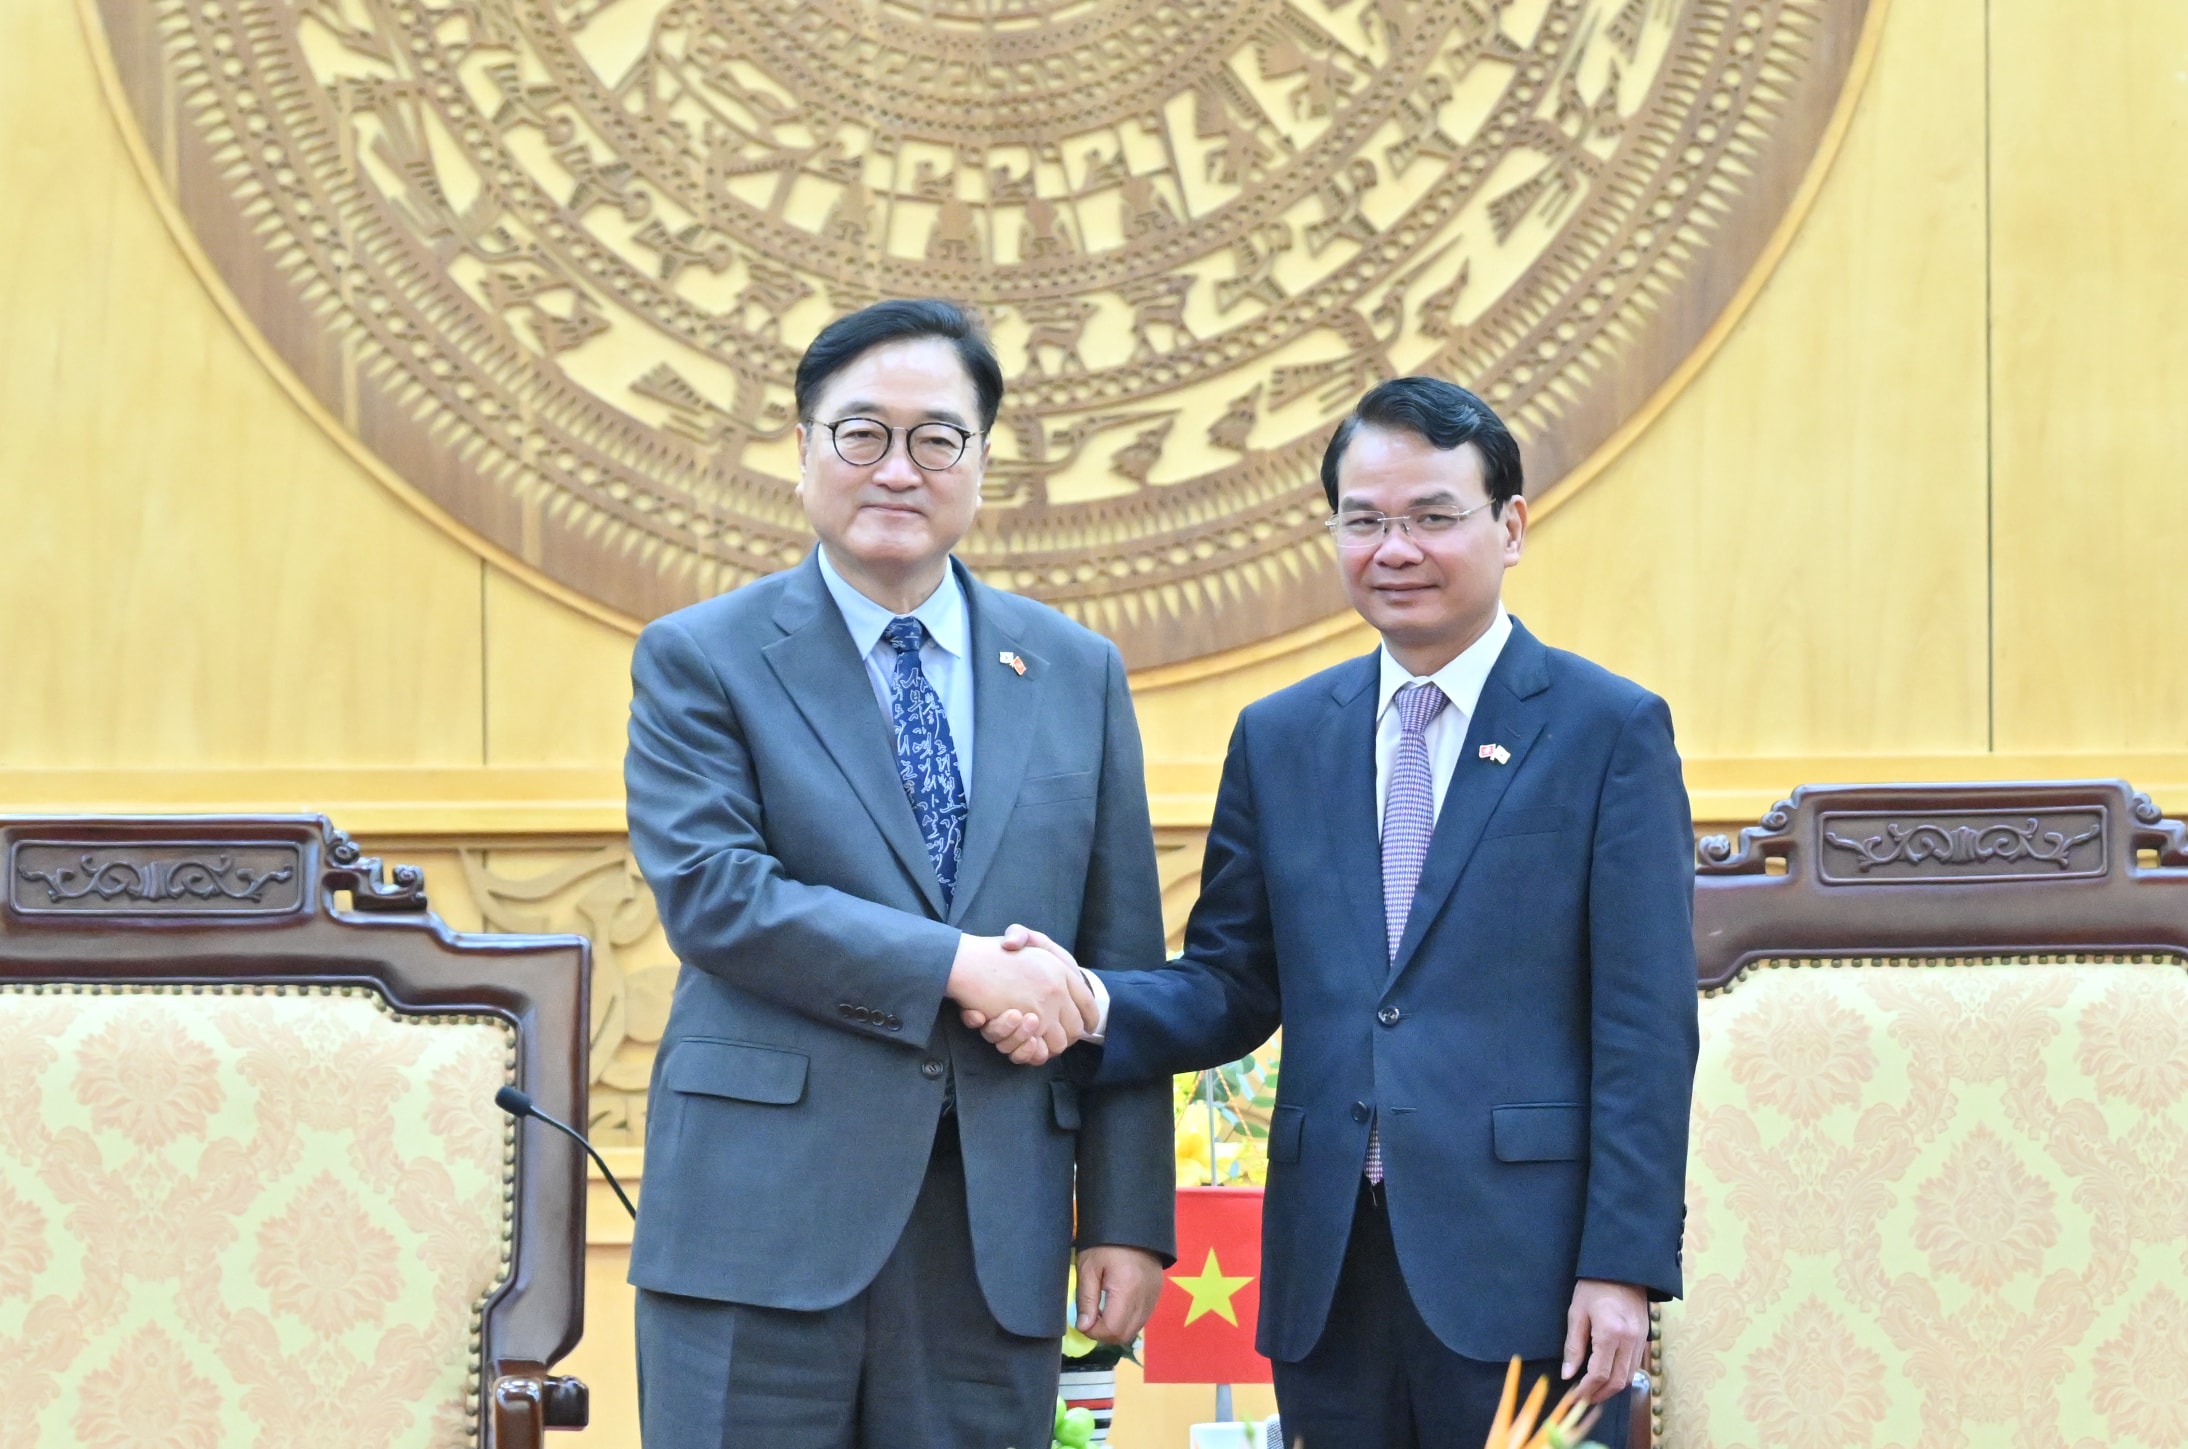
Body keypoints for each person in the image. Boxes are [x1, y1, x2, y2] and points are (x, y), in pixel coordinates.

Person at [975, 377, 1699, 1449]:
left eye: (1430, 517)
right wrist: (1085, 1003)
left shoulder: (1606, 732)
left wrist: (1621, 1265)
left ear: (1510, 528)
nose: (1393, 548)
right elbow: (1230, 983)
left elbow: (1642, 1027)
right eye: (1364, 521)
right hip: (1329, 1267)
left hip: (1531, 1272)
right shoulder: (1281, 736)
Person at [623, 298, 1173, 1449]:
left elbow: (1118, 959)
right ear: (804, 450)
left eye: (937, 438)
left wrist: (1126, 1217)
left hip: (994, 1233)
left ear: (981, 462)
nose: (897, 468)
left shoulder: (1075, 671)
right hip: (759, 1227)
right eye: (860, 433)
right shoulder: (702, 657)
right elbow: (720, 897)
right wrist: (962, 967)